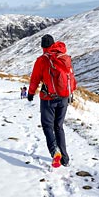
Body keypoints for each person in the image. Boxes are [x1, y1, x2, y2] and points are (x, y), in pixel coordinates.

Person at [27, 34, 77, 167]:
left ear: (43, 46)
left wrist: (31, 93)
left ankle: (55, 151)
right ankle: (65, 159)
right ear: (54, 44)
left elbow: (35, 79)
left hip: (49, 98)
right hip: (65, 98)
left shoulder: (42, 60)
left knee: (47, 126)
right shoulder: (64, 57)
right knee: (59, 126)